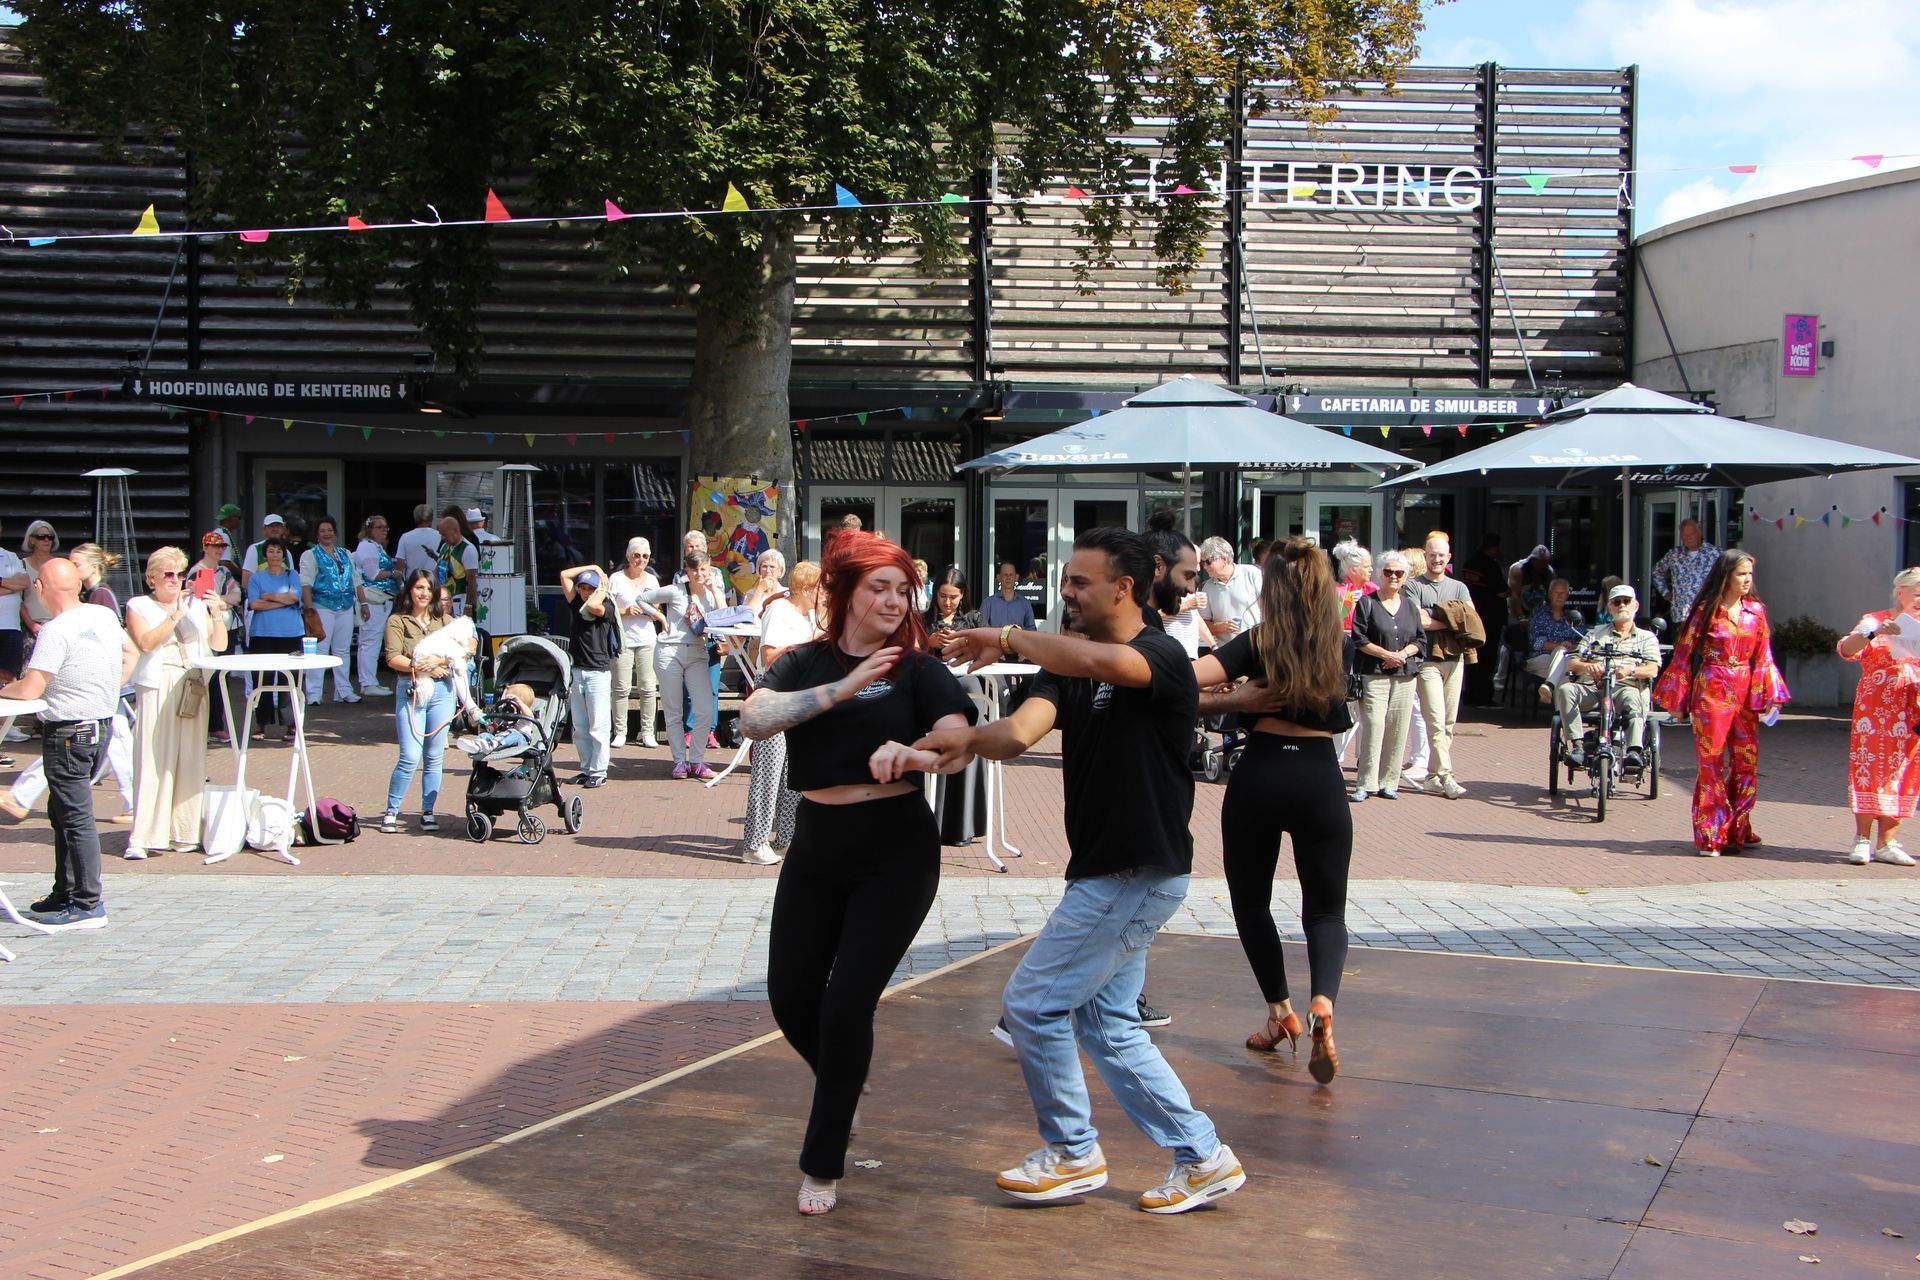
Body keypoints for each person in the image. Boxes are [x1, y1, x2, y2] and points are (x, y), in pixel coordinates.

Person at [919, 528, 1247, 1217]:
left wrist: (1007, 638)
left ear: (1124, 588)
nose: (1065, 593)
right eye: (1065, 582)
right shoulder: (1068, 662)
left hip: (1135, 870)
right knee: (1108, 1024)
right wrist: (959, 741)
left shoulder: (1161, 653)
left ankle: (1072, 1152)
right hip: (1105, 870)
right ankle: (1202, 1156)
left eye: (1078, 582)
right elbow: (1017, 734)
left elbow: (1111, 664)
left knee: (1032, 1003)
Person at [739, 531, 976, 1215]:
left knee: (847, 1003)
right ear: (842, 592)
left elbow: (958, 741)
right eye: (880, 588)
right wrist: (841, 689)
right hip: (816, 846)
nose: (895, 602)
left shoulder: (918, 667)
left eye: (904, 591)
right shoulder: (805, 662)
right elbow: (755, 720)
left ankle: (822, 1163)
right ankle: (843, 1080)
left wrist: (919, 753)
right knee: (790, 997)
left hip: (895, 848)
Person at [1192, 535, 1352, 1083]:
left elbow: (1182, 684)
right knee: (1326, 911)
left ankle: (1280, 1010)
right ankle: (1323, 1001)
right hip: (1318, 778)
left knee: (1251, 902)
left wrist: (1232, 697)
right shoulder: (1339, 644)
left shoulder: (1258, 641)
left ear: (1274, 590)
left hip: (1260, 774)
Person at [2, 558, 137, 930]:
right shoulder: (102, 615)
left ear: (40, 588)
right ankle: (65, 893)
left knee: (74, 817)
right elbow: (130, 653)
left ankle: (87, 903)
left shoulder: (56, 629)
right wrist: (105, 688)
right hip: (99, 724)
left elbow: (30, 688)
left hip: (69, 731)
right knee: (62, 812)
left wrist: (3, 689)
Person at [1653, 550, 1789, 856]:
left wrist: (1771, 697)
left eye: (1750, 574)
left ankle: (1738, 826)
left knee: (1746, 762)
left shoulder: (1756, 610)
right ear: (1726, 576)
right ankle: (1710, 834)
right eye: (1741, 574)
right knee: (1711, 762)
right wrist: (1677, 699)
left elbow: (1764, 656)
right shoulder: (1706, 610)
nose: (1747, 580)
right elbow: (1683, 653)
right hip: (1712, 687)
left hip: (1744, 689)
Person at [124, 546, 229, 860]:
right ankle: (143, 836)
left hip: (193, 682)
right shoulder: (139, 605)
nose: (175, 580)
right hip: (158, 682)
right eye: (168, 574)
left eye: (180, 574)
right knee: (154, 759)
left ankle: (183, 832)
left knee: (191, 760)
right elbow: (146, 643)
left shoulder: (195, 605)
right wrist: (175, 615)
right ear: (152, 579)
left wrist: (216, 613)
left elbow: (218, 643)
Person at [1836, 568, 1920, 866]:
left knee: (1904, 771)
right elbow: (1846, 650)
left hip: (1911, 707)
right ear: (1900, 592)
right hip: (1875, 709)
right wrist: (1874, 632)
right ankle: (1861, 839)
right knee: (1869, 766)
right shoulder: (1875, 619)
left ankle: (1888, 842)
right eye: (1918, 594)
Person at [740, 559, 821, 865]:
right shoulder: (779, 610)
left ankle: (787, 838)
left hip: (796, 696)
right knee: (769, 769)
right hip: (773, 694)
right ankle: (755, 843)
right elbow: (770, 656)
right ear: (806, 588)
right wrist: (809, 643)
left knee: (793, 771)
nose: (824, 594)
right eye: (820, 588)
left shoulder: (807, 615)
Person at [380, 569, 465, 833]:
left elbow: (465, 648)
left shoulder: (445, 620)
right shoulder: (397, 620)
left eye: (429, 589)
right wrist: (420, 666)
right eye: (419, 587)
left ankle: (428, 811)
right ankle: (391, 811)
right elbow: (392, 657)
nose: (424, 593)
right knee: (409, 756)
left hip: (443, 691)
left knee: (434, 755)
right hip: (412, 688)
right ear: (410, 590)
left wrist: (440, 660)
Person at [1553, 584, 1661, 771]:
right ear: (1610, 607)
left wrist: (1630, 670)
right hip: (1593, 688)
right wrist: (1588, 666)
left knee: (1633, 696)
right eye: (1617, 602)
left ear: (1635, 606)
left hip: (1624, 688)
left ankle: (1633, 751)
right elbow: (1572, 663)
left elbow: (1652, 669)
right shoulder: (1595, 633)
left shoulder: (1646, 637)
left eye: (1626, 601)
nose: (1622, 605)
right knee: (1566, 689)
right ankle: (1578, 747)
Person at [1349, 549, 1426, 802]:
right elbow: (1359, 638)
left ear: (1405, 577)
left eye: (1399, 573)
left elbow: (1420, 640)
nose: (1393, 576)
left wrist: (1402, 654)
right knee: (1373, 726)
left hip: (1405, 674)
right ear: (1381, 575)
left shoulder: (1410, 606)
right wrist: (1385, 654)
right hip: (1374, 673)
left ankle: (1389, 782)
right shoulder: (1367, 603)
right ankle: (1365, 783)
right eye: (1388, 572)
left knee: (1398, 728)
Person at [642, 551, 726, 779]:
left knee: (705, 709)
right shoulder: (675, 590)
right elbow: (642, 598)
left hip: (698, 652)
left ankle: (697, 760)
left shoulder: (711, 594)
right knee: (673, 709)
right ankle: (679, 761)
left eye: (703, 569)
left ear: (710, 569)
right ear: (687, 571)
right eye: (694, 570)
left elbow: (723, 615)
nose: (699, 574)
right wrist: (659, 617)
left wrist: (714, 589)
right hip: (669, 651)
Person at [1405, 532, 1473, 799]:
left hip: (1455, 658)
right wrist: (1452, 618)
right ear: (1425, 555)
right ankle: (1446, 775)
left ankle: (1432, 776)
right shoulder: (1413, 586)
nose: (1436, 559)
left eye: (1441, 555)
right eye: (1432, 554)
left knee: (1448, 722)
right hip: (1426, 660)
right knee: (1434, 718)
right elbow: (1417, 621)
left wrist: (1433, 615)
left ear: (1449, 557)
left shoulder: (1459, 587)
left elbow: (1470, 620)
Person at [560, 564, 618, 788]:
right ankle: (586, 769)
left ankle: (599, 771)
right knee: (580, 726)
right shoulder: (576, 602)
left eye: (589, 588)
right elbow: (564, 574)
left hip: (598, 672)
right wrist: (594, 566)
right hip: (577, 670)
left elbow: (593, 606)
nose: (585, 592)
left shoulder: (606, 605)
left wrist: (602, 587)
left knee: (598, 726)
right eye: (582, 588)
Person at [297, 516, 363, 706]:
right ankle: (313, 693)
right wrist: (309, 609)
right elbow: (306, 582)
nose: (327, 534)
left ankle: (343, 691)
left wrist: (364, 603)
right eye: (323, 531)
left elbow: (355, 580)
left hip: (345, 606)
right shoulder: (310, 555)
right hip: (321, 606)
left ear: (335, 533)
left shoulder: (345, 553)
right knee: (320, 650)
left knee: (342, 650)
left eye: (330, 530)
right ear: (317, 535)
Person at [243, 538, 304, 734]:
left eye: (279, 551)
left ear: (283, 555)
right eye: (271, 551)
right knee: (262, 679)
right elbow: (254, 604)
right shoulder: (256, 578)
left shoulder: (292, 575)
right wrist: (283, 600)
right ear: (265, 555)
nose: (275, 555)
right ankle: (261, 723)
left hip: (291, 633)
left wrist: (267, 596)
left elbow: (294, 597)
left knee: (290, 679)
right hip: (262, 633)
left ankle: (291, 724)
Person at [606, 537, 663, 749]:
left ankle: (647, 732)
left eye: (645, 556)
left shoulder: (652, 580)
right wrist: (626, 611)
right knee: (620, 688)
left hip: (647, 638)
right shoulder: (616, 579)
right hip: (623, 639)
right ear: (628, 556)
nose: (641, 560)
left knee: (648, 688)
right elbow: (607, 608)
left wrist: (652, 610)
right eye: (637, 555)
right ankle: (620, 732)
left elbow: (659, 608)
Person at [1330, 540, 1376, 767]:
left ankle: (1363, 756)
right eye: (1367, 566)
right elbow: (1334, 623)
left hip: (1369, 654)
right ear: (1353, 570)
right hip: (1344, 655)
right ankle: (1336, 756)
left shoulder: (1375, 591)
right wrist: (1349, 603)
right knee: (1343, 704)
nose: (1371, 570)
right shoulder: (1339, 592)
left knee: (1367, 707)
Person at [351, 514, 400, 697]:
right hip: (374, 599)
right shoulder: (368, 547)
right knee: (370, 641)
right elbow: (373, 574)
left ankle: (370, 681)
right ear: (370, 529)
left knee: (371, 641)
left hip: (381, 599)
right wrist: (393, 573)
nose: (384, 531)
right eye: (380, 527)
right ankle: (368, 682)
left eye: (386, 527)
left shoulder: (374, 547)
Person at [1460, 531, 1504, 705]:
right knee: (1487, 658)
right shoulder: (1491, 566)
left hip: (1471, 616)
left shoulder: (1469, 563)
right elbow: (1501, 591)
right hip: (1489, 618)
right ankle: (1484, 696)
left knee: (1472, 655)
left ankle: (1470, 694)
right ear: (1494, 548)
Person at [1651, 518, 1720, 630]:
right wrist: (1665, 592)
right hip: (1681, 615)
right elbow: (1656, 572)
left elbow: (1726, 576)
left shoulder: (1715, 553)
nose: (1688, 537)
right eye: (1684, 535)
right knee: (1680, 641)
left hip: (1706, 614)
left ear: (1700, 533)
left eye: (1691, 533)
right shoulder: (1674, 554)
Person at [1196, 536, 1262, 643]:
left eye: (1207, 562)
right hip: (1226, 648)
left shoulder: (1252, 574)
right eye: (1202, 563)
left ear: (1224, 559)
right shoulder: (1207, 587)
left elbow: (1271, 609)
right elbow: (1203, 624)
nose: (1204, 566)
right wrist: (1220, 627)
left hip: (1255, 644)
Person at [1526, 577, 1583, 697]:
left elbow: (1583, 642)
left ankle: (1549, 688)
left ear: (1567, 596)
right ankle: (1560, 706)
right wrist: (1560, 646)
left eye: (1563, 593)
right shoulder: (1539, 614)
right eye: (1556, 592)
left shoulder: (1572, 617)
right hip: (1540, 658)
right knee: (1565, 664)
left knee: (1566, 664)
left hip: (1567, 658)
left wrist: (1572, 646)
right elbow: (1536, 644)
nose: (1559, 596)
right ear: (1550, 594)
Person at [455, 682, 539, 757]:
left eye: (510, 700)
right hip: (500, 737)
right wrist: (491, 725)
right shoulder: (504, 711)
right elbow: (496, 724)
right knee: (485, 735)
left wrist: (518, 701)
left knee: (513, 733)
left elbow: (529, 715)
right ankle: (476, 745)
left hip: (520, 740)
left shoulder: (525, 713)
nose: (507, 702)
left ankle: (493, 744)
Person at [434, 511, 480, 618]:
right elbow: (439, 568)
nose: (442, 538)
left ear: (455, 531)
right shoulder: (445, 546)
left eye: (444, 534)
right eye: (441, 534)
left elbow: (472, 581)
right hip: (444, 599)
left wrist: (468, 606)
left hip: (460, 600)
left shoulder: (468, 549)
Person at [980, 561, 1037, 633]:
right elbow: (981, 630)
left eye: (1011, 575)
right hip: (994, 640)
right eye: (1005, 575)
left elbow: (1032, 630)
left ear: (1016, 577)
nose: (1008, 578)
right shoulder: (988, 603)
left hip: (1017, 640)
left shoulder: (1025, 604)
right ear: (998, 577)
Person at [238, 513, 289, 588]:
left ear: (282, 529)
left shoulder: (287, 553)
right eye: (271, 526)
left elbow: (291, 581)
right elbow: (246, 582)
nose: (275, 529)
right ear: (264, 529)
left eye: (278, 526)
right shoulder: (254, 549)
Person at [394, 503, 441, 580]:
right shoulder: (440, 536)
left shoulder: (405, 537)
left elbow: (400, 565)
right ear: (432, 518)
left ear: (415, 518)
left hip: (412, 581)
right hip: (433, 581)